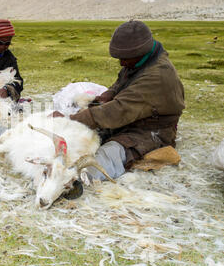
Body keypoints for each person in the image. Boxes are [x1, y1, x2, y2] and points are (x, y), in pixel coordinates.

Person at [52, 20, 185, 188]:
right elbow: (123, 80)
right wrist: (111, 93)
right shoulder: (139, 61)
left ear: (139, 52)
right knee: (89, 135)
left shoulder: (158, 75)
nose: (122, 63)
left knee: (112, 151)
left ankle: (78, 180)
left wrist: (70, 119)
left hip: (150, 130)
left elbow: (117, 111)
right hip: (132, 117)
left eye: (124, 59)